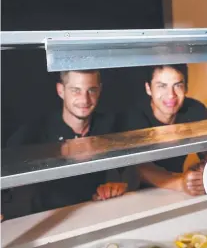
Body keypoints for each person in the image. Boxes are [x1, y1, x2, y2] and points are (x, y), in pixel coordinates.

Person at [5, 70, 126, 217]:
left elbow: (130, 169)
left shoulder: (109, 124)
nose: (84, 100)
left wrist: (116, 186)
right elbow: (5, 164)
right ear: (61, 90)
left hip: (95, 213)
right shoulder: (35, 130)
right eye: (76, 91)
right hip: (48, 221)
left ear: (99, 90)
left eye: (91, 90)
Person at [117, 64, 207, 196]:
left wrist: (203, 169)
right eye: (162, 86)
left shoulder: (194, 109)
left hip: (175, 193)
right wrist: (181, 183)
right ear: (148, 88)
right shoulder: (134, 116)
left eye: (177, 85)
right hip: (136, 195)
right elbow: (139, 168)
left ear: (186, 87)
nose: (171, 95)